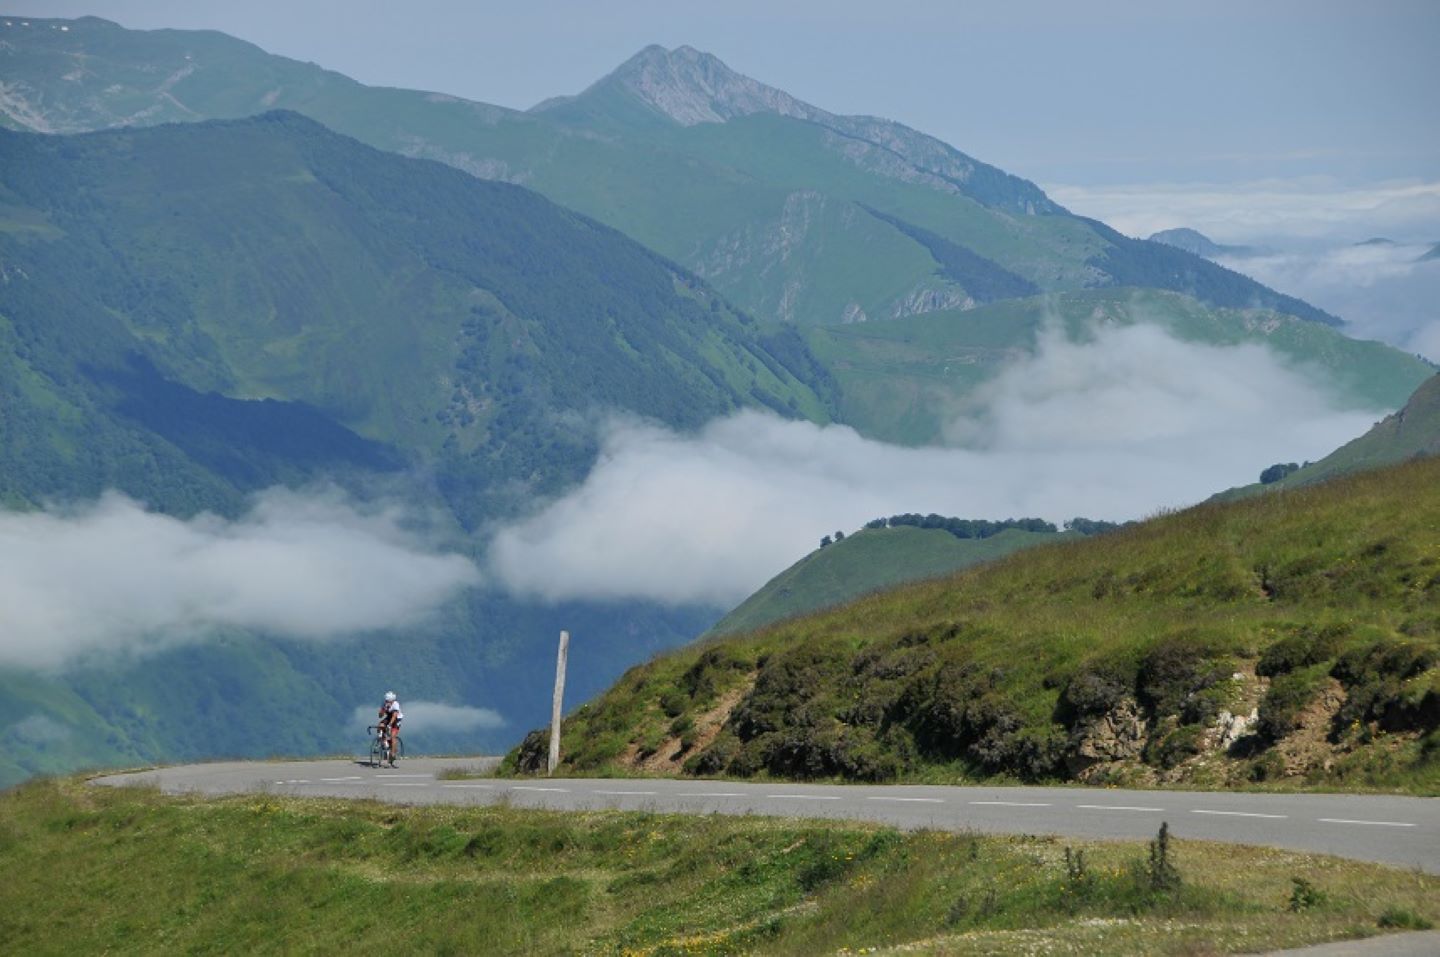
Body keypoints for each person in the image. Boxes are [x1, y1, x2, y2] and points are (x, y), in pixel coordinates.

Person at [377, 691, 403, 768]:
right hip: (389, 718)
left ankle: (392, 755)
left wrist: (390, 725)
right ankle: (384, 742)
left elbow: (394, 716)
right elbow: (380, 716)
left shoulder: (395, 704)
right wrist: (382, 711)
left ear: (392, 701)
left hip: (396, 720)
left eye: (388, 701)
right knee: (380, 726)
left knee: (392, 736)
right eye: (386, 701)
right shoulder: (384, 703)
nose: (387, 702)